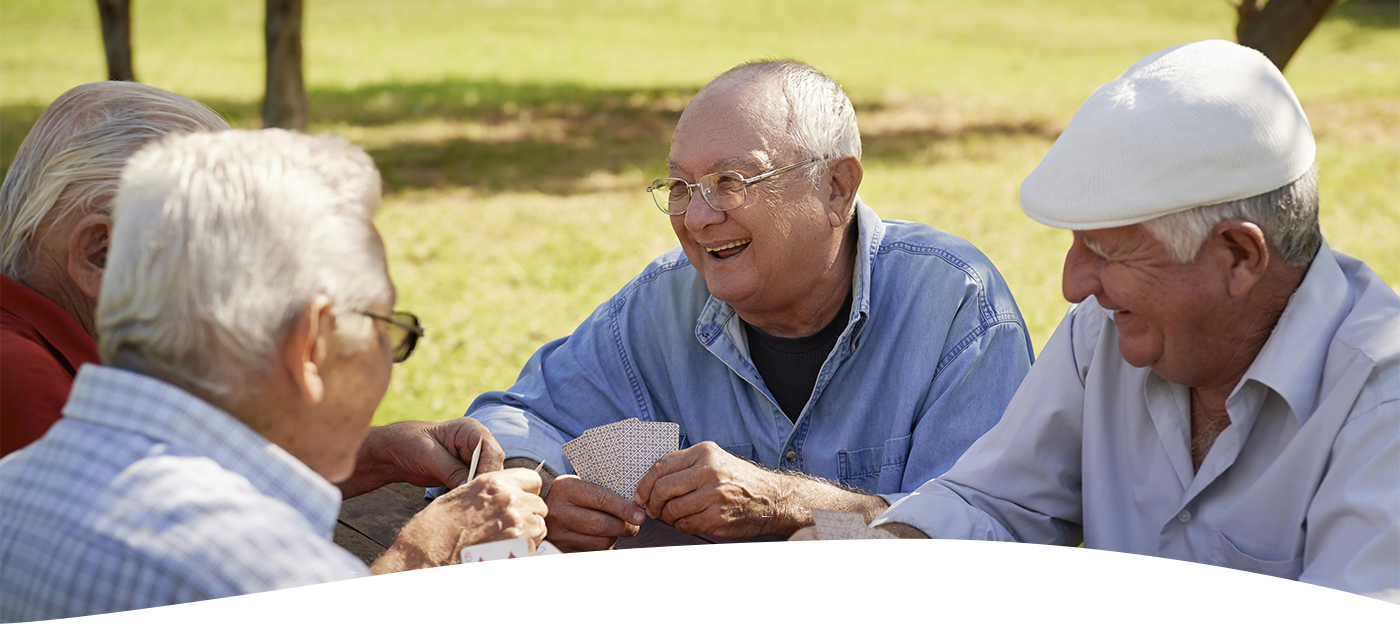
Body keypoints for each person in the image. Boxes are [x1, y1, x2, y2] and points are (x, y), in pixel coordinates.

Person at [792, 41, 1400, 622]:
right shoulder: (1102, 333)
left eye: (1106, 251)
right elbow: (997, 503)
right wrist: (879, 545)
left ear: (1239, 255)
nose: (1072, 283)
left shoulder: (1379, 401)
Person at [465, 60, 1034, 550]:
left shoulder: (955, 305)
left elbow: (988, 529)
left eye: (730, 181)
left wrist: (790, 504)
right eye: (680, 187)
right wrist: (536, 485)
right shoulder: (661, 306)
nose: (696, 218)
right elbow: (517, 419)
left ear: (836, 188)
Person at [0, 130, 546, 622]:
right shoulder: (267, 572)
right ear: (312, 343)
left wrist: (373, 454)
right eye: (386, 328)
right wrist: (427, 563)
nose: (388, 357)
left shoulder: (16, 482)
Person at [0, 82, 502, 502]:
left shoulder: (79, 350)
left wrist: (378, 453)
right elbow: (167, 558)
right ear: (101, 254)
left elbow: (194, 481)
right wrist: (427, 551)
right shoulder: (24, 384)